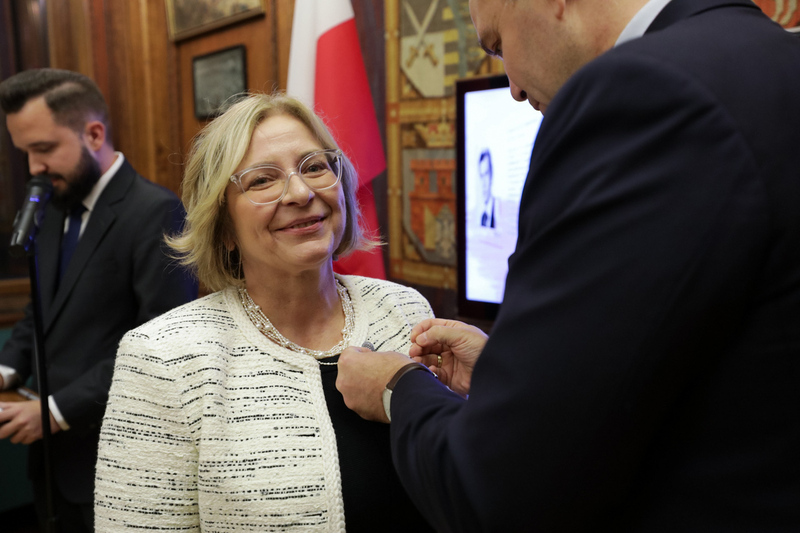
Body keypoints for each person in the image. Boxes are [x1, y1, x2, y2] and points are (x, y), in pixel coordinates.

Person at [336, 0, 800, 531]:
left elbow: (496, 494)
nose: (509, 85)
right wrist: (508, 375)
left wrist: (399, 386)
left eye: (497, 45)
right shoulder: (772, 53)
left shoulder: (638, 95)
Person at [93, 93, 436, 532]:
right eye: (261, 181)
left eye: (314, 166)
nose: (300, 192)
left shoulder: (404, 310)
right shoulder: (164, 358)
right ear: (224, 227)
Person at [0, 68, 197, 532]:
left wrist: (55, 410)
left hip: (116, 460)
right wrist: (6, 368)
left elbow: (159, 348)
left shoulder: (156, 212)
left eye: (44, 149)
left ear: (93, 133)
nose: (34, 168)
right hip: (50, 461)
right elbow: (39, 311)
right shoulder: (50, 205)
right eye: (25, 151)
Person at [477, 148, 495, 228]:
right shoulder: (476, 215)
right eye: (481, 175)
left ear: (491, 176)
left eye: (486, 174)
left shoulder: (501, 212)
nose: (483, 183)